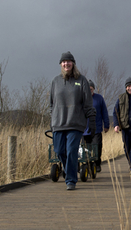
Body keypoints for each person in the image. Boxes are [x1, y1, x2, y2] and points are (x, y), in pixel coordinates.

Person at [50, 51, 96, 190]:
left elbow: (88, 104)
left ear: (73, 63)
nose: (66, 64)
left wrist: (92, 120)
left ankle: (70, 180)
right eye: (64, 62)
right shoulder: (55, 81)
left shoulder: (81, 80)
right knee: (59, 151)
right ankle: (69, 167)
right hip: (58, 123)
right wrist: (52, 120)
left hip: (75, 123)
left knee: (71, 151)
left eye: (69, 61)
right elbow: (51, 104)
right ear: (61, 64)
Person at [83, 80, 109, 172]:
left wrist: (106, 125)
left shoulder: (99, 98)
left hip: (96, 128)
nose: (89, 90)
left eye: (91, 88)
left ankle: (97, 164)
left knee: (97, 147)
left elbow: (104, 112)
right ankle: (86, 165)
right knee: (85, 148)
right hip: (84, 129)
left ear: (93, 89)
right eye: (87, 88)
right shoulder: (81, 98)